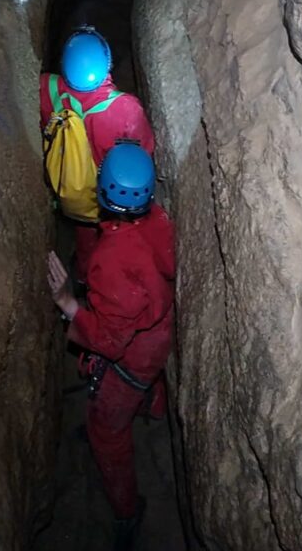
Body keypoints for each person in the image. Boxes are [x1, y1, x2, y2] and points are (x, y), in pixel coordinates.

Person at [47, 141, 175, 551]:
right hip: (157, 330)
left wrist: (69, 304)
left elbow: (110, 340)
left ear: (102, 192)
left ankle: (126, 510)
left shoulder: (112, 260)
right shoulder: (157, 220)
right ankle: (153, 408)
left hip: (135, 355)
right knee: (145, 381)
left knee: (106, 430)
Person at [40, 26, 155, 283]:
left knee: (85, 236)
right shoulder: (127, 110)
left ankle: (83, 277)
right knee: (111, 238)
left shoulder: (48, 89)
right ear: (108, 64)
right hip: (113, 195)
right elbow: (143, 152)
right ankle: (104, 281)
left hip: (75, 192)